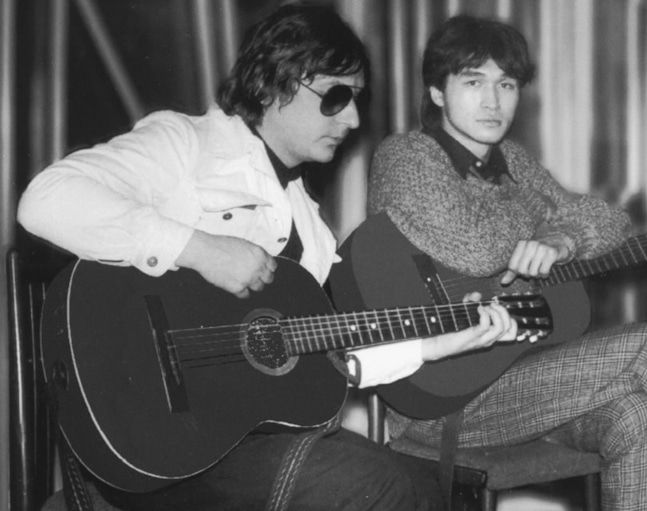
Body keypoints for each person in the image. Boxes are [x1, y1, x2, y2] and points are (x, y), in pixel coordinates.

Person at [16, 4, 519, 510]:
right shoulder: (186, 145)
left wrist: (431, 345)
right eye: (336, 96)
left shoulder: (312, 231)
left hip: (238, 445)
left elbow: (327, 355)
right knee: (383, 483)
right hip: (156, 445)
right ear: (272, 83)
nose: (352, 119)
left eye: (357, 100)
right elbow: (46, 200)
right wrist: (201, 250)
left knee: (418, 482)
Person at [363, 14, 647, 511]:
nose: (493, 101)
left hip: (518, 378)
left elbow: (609, 220)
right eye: (474, 82)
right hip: (440, 399)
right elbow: (474, 246)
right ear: (437, 92)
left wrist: (562, 238)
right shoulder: (407, 156)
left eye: (506, 84)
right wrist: (537, 210)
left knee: (638, 414)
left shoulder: (511, 161)